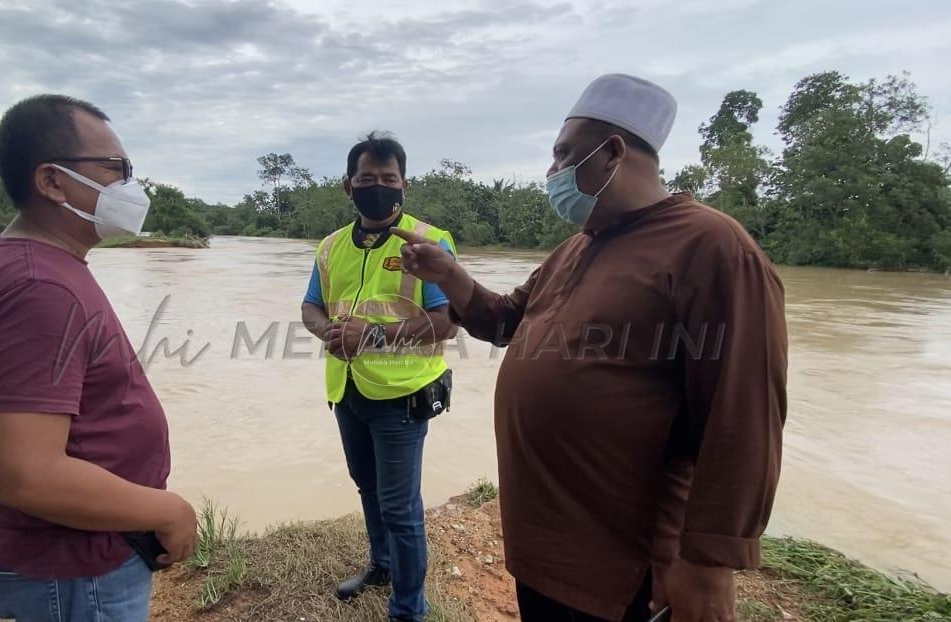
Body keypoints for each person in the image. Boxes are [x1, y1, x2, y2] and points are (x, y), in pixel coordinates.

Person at [393, 74, 788, 622]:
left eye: (562, 155)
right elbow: (507, 320)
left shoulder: (715, 250)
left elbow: (743, 416)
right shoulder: (576, 248)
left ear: (612, 153)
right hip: (546, 547)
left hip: (622, 564)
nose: (552, 172)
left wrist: (710, 562)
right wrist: (450, 275)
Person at [0, 94, 198, 621]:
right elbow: (28, 474)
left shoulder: (37, 264)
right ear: (52, 181)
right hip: (74, 575)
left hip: (82, 564)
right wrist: (167, 508)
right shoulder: (38, 286)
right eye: (116, 169)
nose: (130, 185)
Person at [300, 132, 458, 622]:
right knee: (366, 485)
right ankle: (381, 566)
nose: (378, 187)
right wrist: (328, 330)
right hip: (346, 391)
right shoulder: (330, 247)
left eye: (388, 179)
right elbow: (310, 307)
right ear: (349, 186)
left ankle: (408, 609)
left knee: (401, 508)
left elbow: (449, 321)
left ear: (404, 185)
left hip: (402, 396)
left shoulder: (430, 240)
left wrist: (371, 338)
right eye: (367, 179)